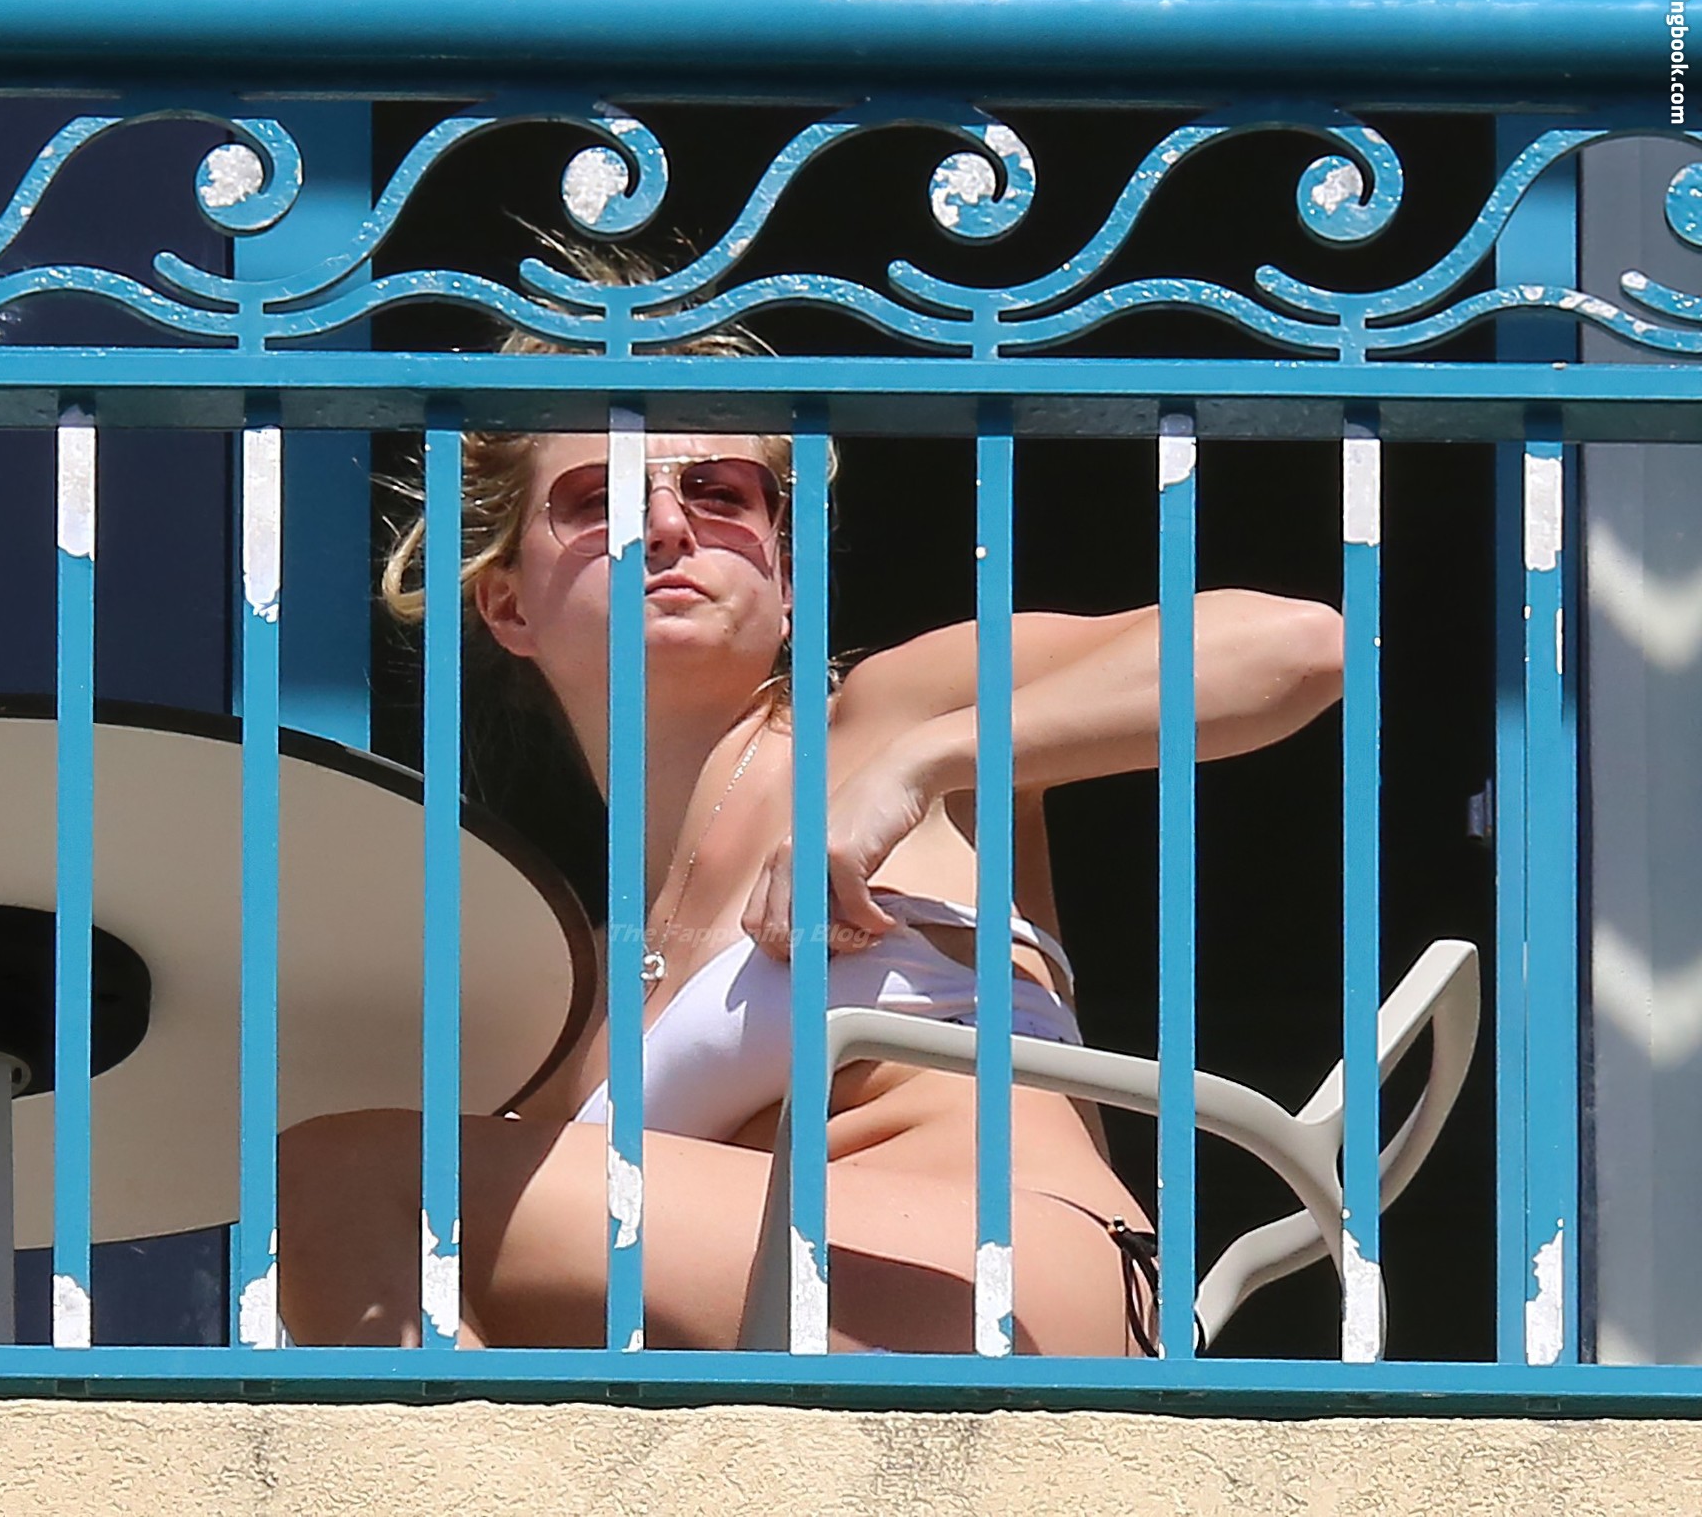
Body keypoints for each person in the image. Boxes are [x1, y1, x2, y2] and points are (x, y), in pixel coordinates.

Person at [277, 306, 1345, 1356]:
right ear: (507, 604)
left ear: (785, 579)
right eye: (600, 497)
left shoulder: (884, 718)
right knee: (373, 1223)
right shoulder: (577, 984)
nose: (668, 526)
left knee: (347, 1175)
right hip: (788, 1343)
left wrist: (920, 767)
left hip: (1011, 1285)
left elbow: (1295, 647)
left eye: (719, 492)